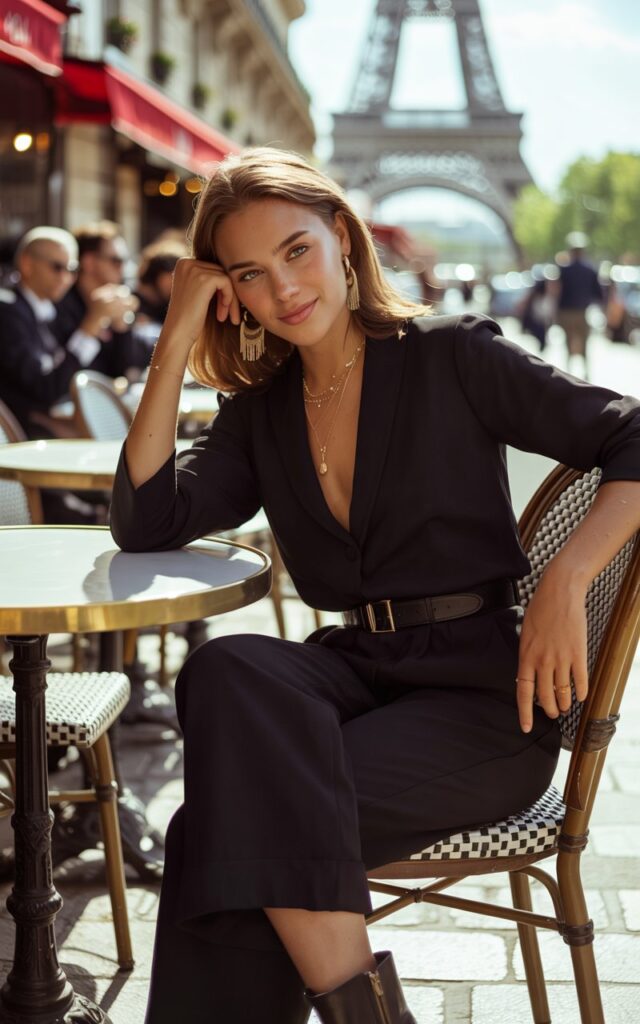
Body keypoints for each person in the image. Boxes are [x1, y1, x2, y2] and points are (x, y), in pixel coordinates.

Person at [109, 148, 640, 1024]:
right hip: (358, 671)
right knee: (226, 667)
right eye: (251, 273)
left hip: (482, 699)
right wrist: (175, 342)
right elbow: (147, 519)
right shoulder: (262, 409)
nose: (284, 288)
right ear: (229, 292)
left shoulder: (450, 355)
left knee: (213, 834)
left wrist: (566, 578)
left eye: (297, 251)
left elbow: (631, 435)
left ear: (343, 240)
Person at [0, 226, 114, 439]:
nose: (66, 277)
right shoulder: (7, 310)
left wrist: (118, 328)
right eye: (57, 267)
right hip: (18, 435)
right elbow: (46, 388)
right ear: (27, 264)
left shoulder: (54, 307)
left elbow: (101, 369)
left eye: (72, 269)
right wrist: (90, 326)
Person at [52, 220, 152, 379]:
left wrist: (121, 327)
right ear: (89, 262)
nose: (123, 268)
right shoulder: (59, 304)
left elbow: (122, 372)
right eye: (116, 260)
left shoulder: (113, 301)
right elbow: (63, 377)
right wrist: (94, 320)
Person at [555, 232, 603, 378]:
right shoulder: (590, 270)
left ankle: (568, 371)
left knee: (568, 340)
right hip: (582, 311)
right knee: (584, 341)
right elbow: (599, 294)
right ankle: (585, 371)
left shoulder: (564, 270)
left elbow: (557, 292)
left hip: (566, 312)